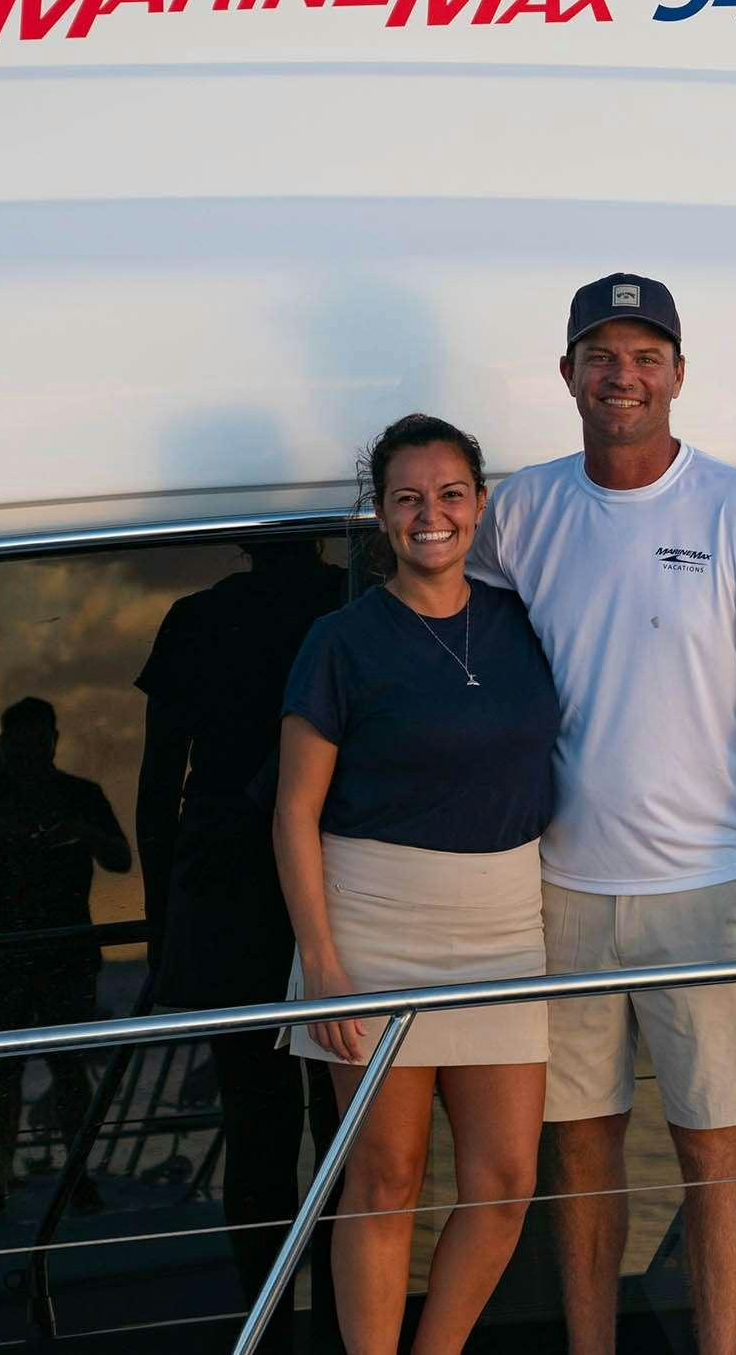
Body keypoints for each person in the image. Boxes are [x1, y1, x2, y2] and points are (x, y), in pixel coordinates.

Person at [467, 273, 736, 1355]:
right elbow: (464, 653)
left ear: (679, 375)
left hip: (704, 892)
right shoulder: (522, 511)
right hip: (558, 890)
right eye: (603, 356)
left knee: (712, 1149)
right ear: (568, 377)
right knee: (581, 1151)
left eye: (646, 357)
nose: (623, 376)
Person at [274, 413, 561, 1355]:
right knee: (388, 1177)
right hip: (373, 924)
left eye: (448, 494)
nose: (429, 515)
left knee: (506, 1180)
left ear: (479, 504)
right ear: (381, 516)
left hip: (508, 922)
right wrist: (322, 962)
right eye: (406, 498)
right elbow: (293, 815)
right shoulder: (341, 640)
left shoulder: (523, 620)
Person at [135, 539, 346, 1354]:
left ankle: (265, 1335)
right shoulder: (354, 602)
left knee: (260, 1135)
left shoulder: (198, 618)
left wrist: (166, 931)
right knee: (341, 1134)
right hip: (332, 876)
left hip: (229, 899)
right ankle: (337, 1328)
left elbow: (160, 784)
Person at [0, 698, 131, 1215]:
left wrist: (81, 832)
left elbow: (119, 857)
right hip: (6, 959)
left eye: (36, 741)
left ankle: (69, 1176)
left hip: (56, 956)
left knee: (60, 1072)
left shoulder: (78, 797)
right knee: (1, 1076)